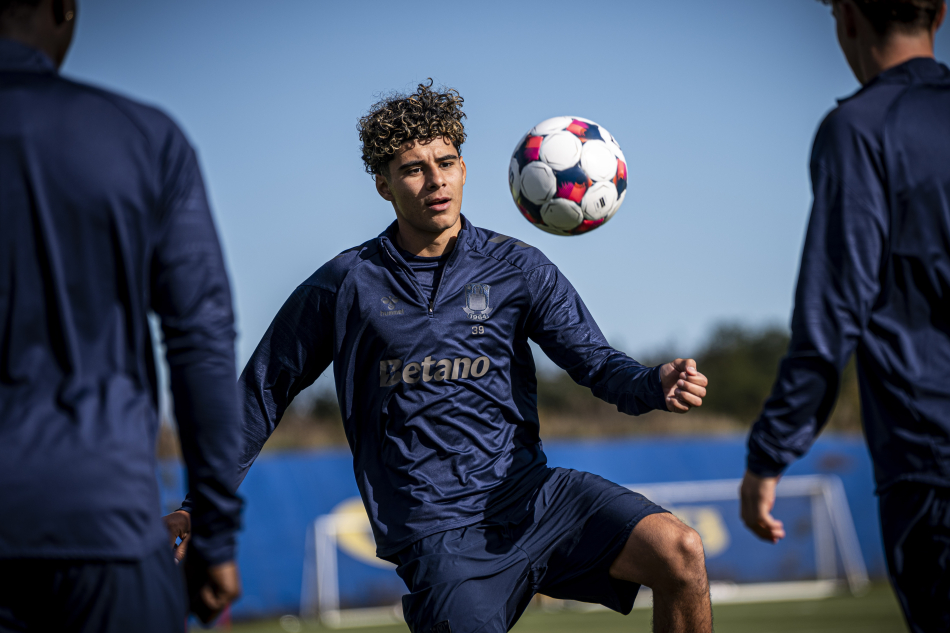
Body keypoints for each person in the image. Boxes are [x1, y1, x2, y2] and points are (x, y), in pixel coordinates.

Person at [170, 79, 711, 633]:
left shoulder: (517, 268)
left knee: (680, 552)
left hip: (534, 498)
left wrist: (652, 383)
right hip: (437, 534)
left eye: (446, 163)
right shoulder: (345, 284)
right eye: (413, 169)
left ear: (464, 169)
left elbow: (595, 361)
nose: (436, 181)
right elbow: (260, 392)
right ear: (383, 185)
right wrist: (199, 504)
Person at [0, 0, 244, 630]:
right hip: (100, 525)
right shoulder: (141, 137)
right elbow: (200, 341)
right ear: (64, 8)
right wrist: (214, 533)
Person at [740, 1, 949, 631]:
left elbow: (832, 313)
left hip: (933, 459)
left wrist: (770, 452)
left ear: (848, 18)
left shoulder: (861, 128)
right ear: (940, 15)